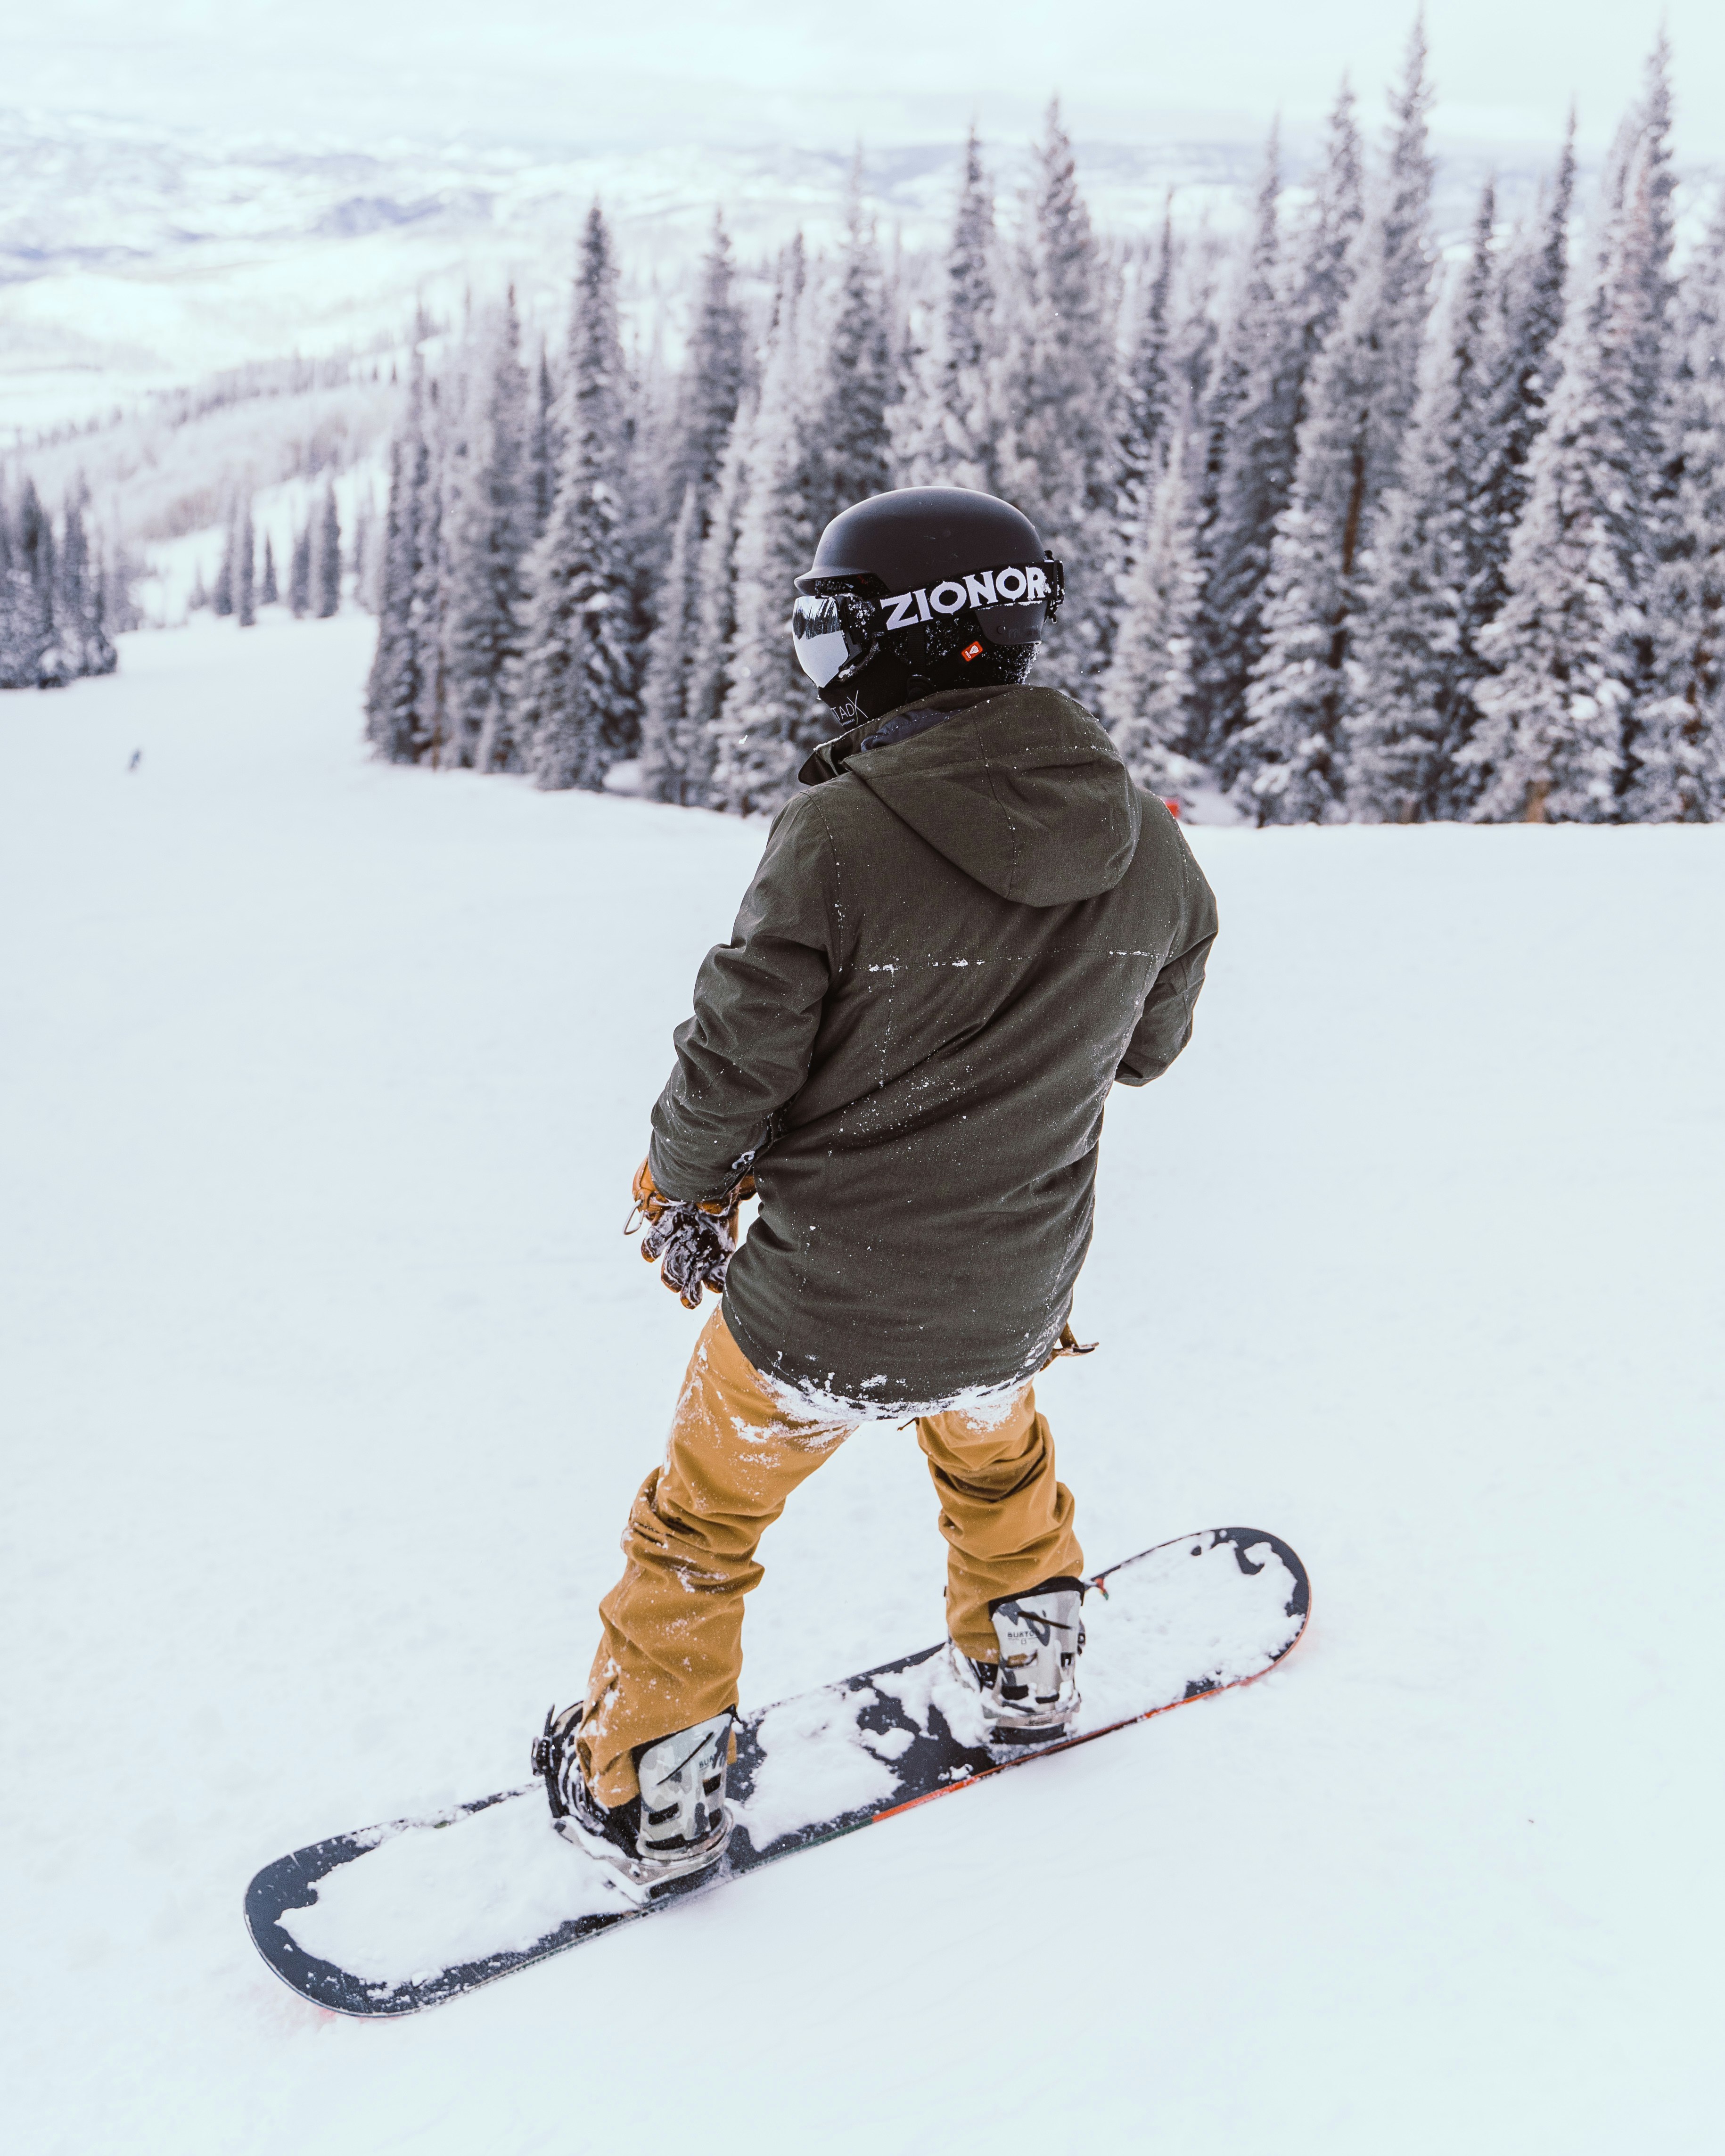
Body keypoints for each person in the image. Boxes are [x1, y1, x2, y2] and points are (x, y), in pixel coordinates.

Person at [532, 486, 1218, 1886]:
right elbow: (1146, 1049)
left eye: (829, 634)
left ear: (897, 639)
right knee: (997, 1457)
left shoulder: (840, 835)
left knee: (701, 1524)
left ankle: (650, 1786)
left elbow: (736, 1056)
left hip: (814, 1314)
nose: (820, 669)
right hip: (1010, 1294)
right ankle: (1028, 1668)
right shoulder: (1147, 840)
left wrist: (682, 1187)